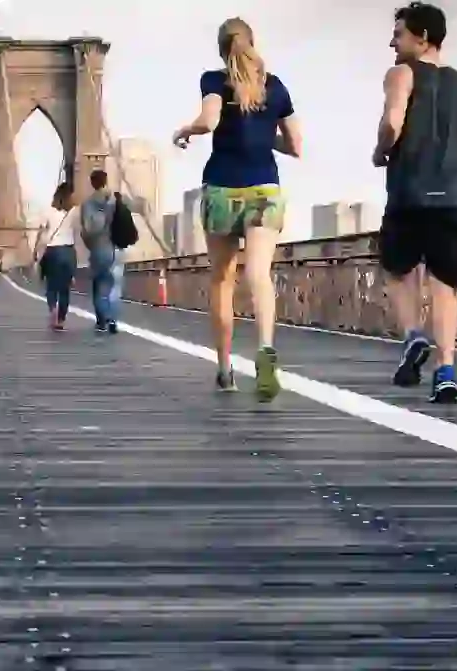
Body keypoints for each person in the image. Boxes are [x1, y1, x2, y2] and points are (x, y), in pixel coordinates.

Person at [372, 2, 457, 404]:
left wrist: (381, 152)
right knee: (445, 287)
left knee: (397, 270)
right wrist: (450, 150)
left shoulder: (401, 74)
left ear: (422, 38)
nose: (392, 41)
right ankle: (445, 373)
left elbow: (392, 123)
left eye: (399, 34)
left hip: (409, 193)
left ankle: (413, 338)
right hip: (453, 199)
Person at [171, 16, 301, 399]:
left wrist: (184, 131)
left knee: (222, 280)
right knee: (259, 275)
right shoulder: (275, 88)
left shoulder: (213, 80)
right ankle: (264, 352)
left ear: (220, 48)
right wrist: (264, 138)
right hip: (264, 190)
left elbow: (209, 120)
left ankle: (225, 368)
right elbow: (296, 145)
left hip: (222, 190)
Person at [79, 169, 121, 334]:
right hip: (117, 248)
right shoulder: (116, 199)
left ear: (92, 183)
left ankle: (103, 320)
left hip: (99, 247)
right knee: (114, 285)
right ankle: (112, 318)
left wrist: (89, 243)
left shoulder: (88, 203)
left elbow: (88, 229)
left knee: (99, 284)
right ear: (106, 180)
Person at [34, 181, 80, 331]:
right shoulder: (74, 211)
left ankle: (53, 309)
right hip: (68, 251)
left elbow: (41, 232)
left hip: (52, 251)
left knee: (52, 286)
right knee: (65, 288)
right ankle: (61, 319)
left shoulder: (48, 211)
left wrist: (36, 249)